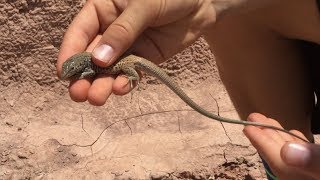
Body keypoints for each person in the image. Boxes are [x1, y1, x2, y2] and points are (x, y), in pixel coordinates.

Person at [56, 0, 320, 179]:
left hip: (131, 65)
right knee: (232, 20)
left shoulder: (89, 67)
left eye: (71, 71)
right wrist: (208, 4)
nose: (68, 73)